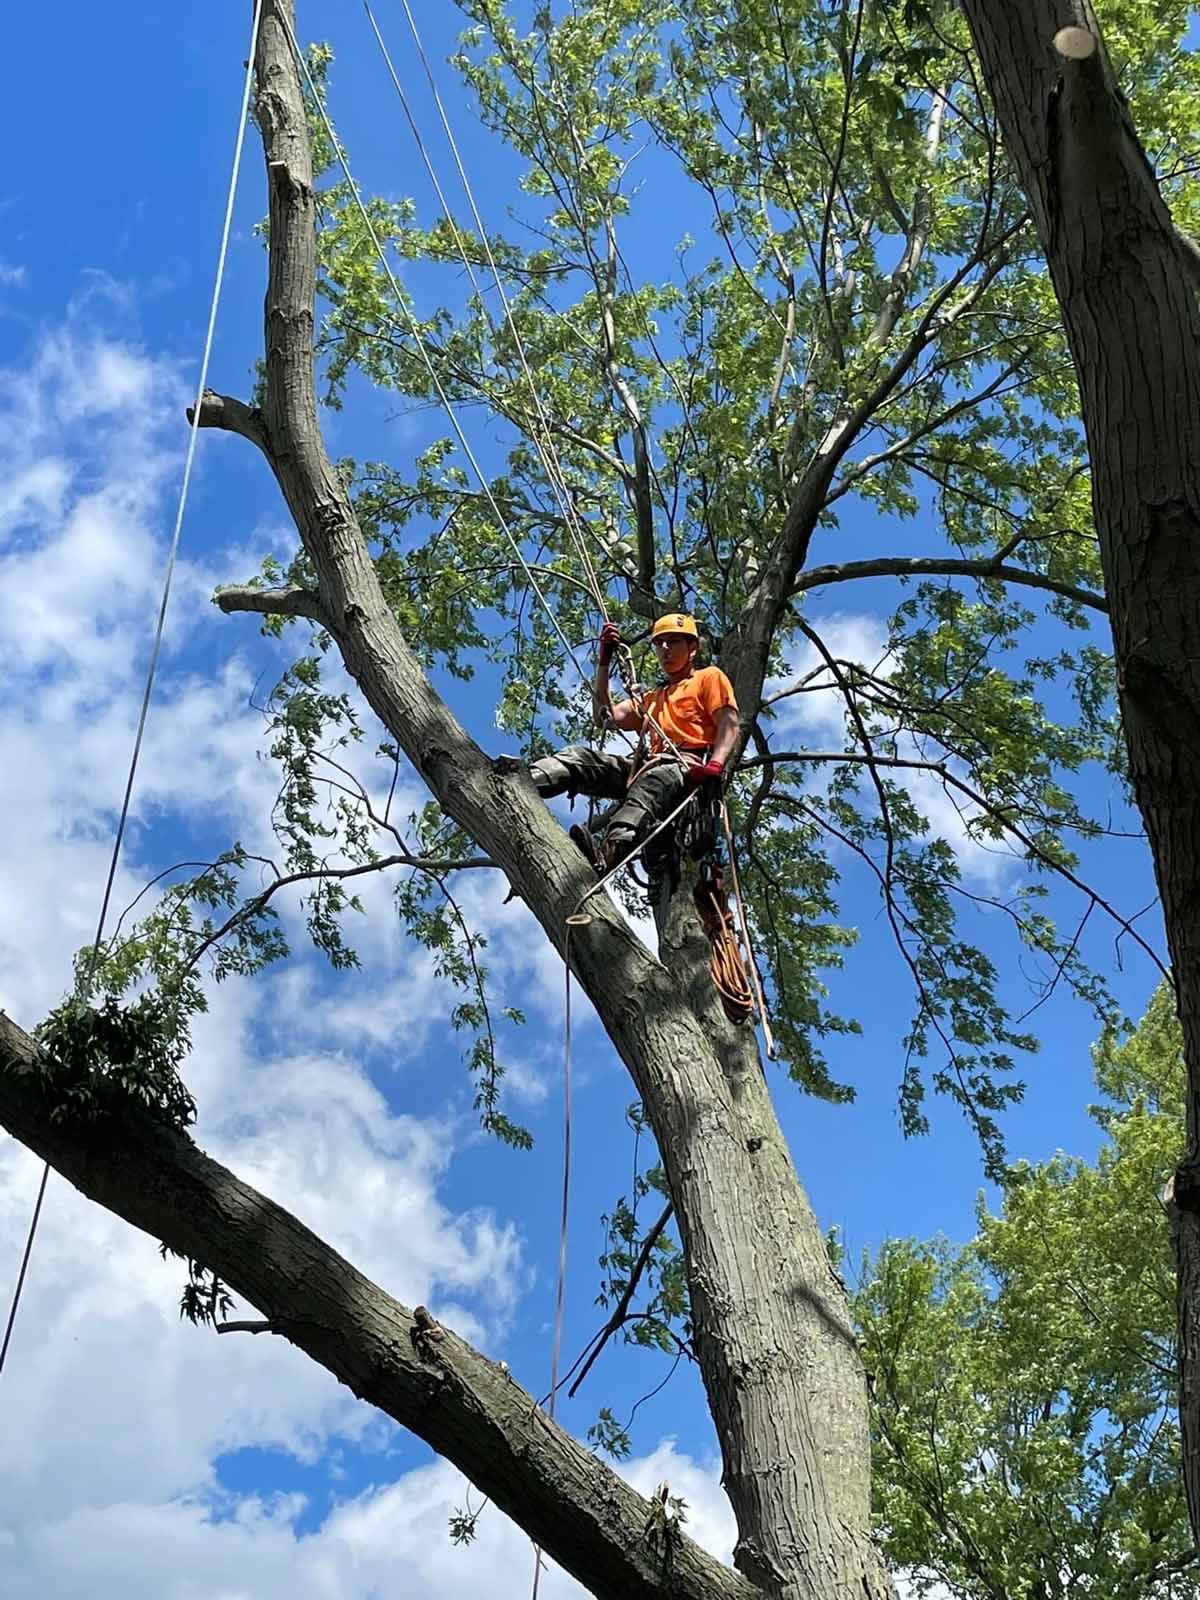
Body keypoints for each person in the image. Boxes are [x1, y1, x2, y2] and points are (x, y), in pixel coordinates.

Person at [528, 613, 740, 873]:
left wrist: (715, 766)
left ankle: (607, 856)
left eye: (672, 642)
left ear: (692, 648)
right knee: (580, 758)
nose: (664, 649)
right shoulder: (652, 698)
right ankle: (526, 780)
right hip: (644, 768)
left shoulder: (708, 677)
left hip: (685, 769)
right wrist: (604, 662)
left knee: (652, 784)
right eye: (659, 643)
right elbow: (603, 717)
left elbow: (729, 723)